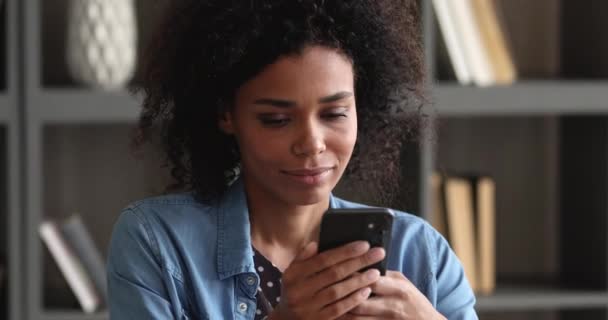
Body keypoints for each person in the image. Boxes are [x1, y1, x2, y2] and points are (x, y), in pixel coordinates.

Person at [107, 1, 478, 319]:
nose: (312, 144)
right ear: (226, 115)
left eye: (334, 114)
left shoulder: (422, 254)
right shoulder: (157, 243)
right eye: (277, 120)